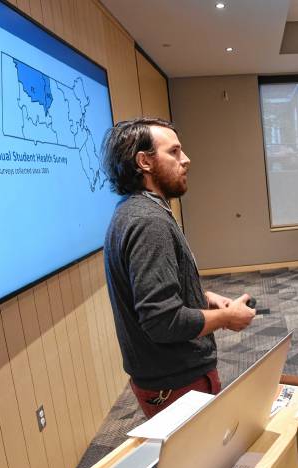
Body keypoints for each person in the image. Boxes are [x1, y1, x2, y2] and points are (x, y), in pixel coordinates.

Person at [102, 118, 255, 419]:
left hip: (166, 377)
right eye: (174, 152)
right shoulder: (149, 222)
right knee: (206, 465)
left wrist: (201, 296)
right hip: (177, 384)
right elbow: (162, 319)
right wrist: (226, 318)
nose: (186, 160)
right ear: (144, 162)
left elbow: (151, 293)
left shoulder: (133, 209)